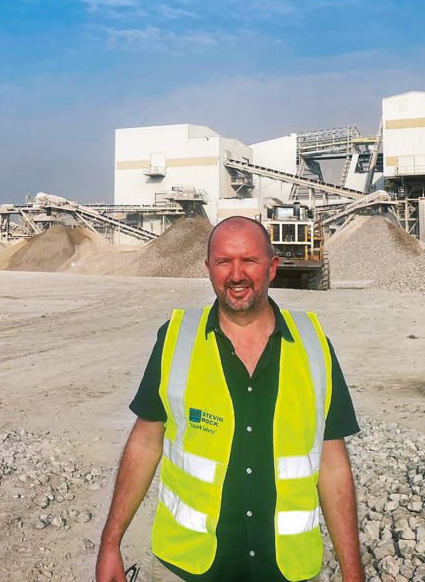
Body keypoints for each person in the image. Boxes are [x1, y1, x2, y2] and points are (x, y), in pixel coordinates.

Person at [95, 216, 365, 582]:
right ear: (208, 269)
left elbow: (334, 465)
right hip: (187, 568)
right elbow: (145, 442)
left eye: (249, 261)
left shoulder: (314, 346)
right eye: (224, 262)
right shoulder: (177, 339)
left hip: (287, 571)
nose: (236, 275)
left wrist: (353, 573)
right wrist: (111, 542)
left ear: (272, 267)